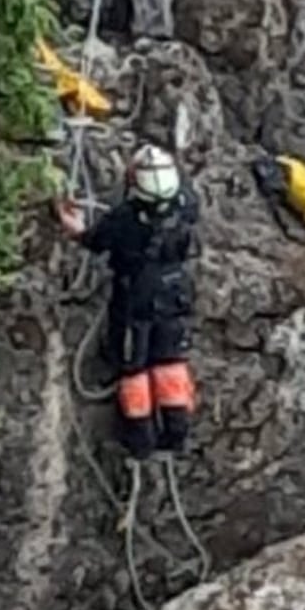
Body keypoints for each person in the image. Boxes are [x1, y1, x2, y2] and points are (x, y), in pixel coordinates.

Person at [56, 143, 200, 458]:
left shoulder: (126, 218)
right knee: (170, 362)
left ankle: (140, 441)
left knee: (133, 368)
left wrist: (75, 228)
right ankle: (176, 435)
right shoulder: (186, 204)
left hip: (136, 297)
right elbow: (185, 193)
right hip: (176, 292)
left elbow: (96, 240)